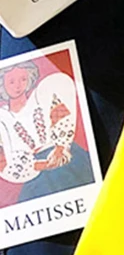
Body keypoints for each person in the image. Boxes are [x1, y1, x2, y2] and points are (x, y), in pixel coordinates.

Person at [0, 62, 93, 204]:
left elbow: (63, 116)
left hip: (65, 156)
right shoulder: (3, 118)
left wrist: (61, 147)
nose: (17, 86)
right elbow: (5, 162)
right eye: (11, 82)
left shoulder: (41, 96)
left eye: (23, 79)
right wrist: (41, 165)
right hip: (34, 173)